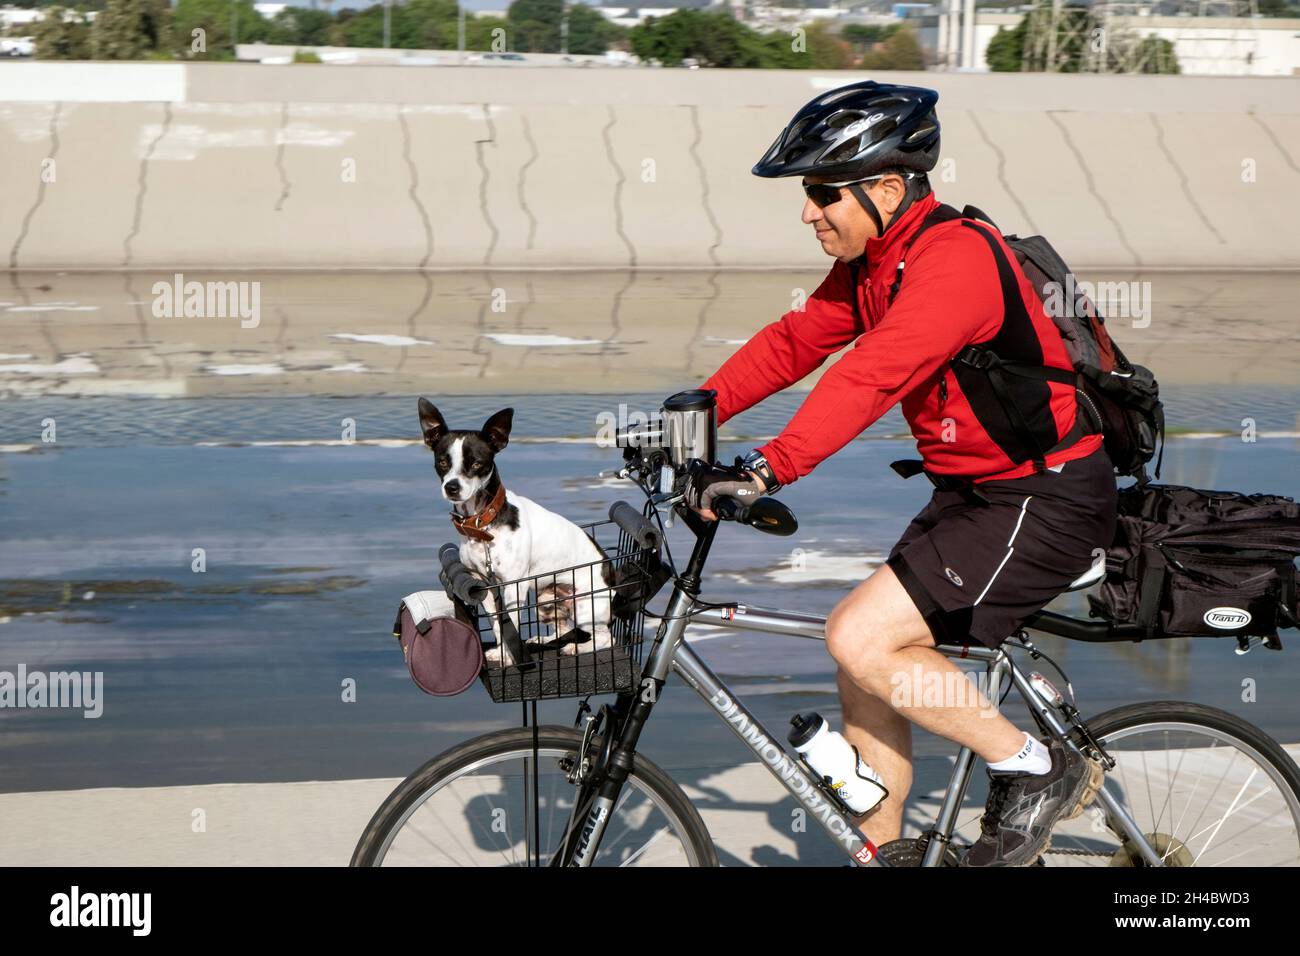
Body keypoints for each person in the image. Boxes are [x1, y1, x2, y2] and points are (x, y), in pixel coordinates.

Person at [686, 80, 1116, 867]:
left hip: (1043, 496)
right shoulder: (879, 260)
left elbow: (871, 376)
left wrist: (766, 467)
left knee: (861, 638)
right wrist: (692, 413)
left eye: (823, 193)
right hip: (975, 496)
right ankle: (884, 856)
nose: (808, 212)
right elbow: (796, 342)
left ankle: (1036, 768)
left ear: (887, 188)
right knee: (863, 664)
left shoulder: (953, 262)